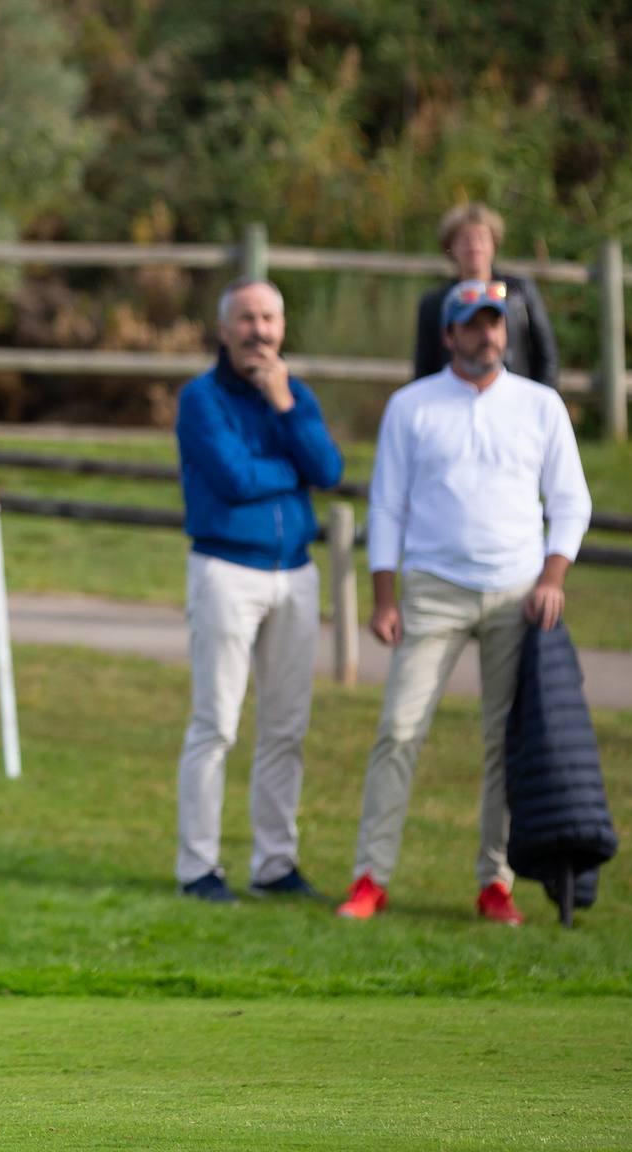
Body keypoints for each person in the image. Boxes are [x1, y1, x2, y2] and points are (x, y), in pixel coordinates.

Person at [337, 279, 591, 925]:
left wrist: (551, 577)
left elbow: (569, 502)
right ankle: (370, 877)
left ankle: (494, 883)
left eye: (495, 323)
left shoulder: (539, 405)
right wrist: (383, 597)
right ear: (448, 334)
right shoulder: (411, 406)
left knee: (502, 743)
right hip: (430, 591)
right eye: (473, 325)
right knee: (398, 730)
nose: (487, 335)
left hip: (516, 592)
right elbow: (387, 504)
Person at [171, 279, 346, 903]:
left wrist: (285, 408)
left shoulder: (295, 396)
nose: (259, 331)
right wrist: (290, 467)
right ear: (225, 329)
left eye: (269, 318)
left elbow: (328, 470)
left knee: (285, 728)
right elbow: (233, 478)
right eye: (247, 319)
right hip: (226, 570)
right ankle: (198, 868)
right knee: (216, 723)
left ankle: (275, 864)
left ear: (283, 328)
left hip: (295, 573)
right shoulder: (201, 399)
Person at [413, 203, 559, 390]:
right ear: (451, 246)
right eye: (465, 239)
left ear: (494, 243)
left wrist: (536, 402)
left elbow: (547, 356)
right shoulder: (435, 304)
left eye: (481, 238)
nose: (474, 246)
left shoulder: (519, 293)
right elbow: (424, 366)